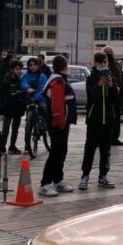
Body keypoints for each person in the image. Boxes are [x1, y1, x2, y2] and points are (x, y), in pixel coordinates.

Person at [39, 56, 77, 196]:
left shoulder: (58, 80)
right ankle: (45, 183)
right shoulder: (58, 81)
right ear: (64, 66)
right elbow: (57, 105)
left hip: (60, 122)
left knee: (61, 151)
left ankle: (58, 180)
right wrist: (60, 122)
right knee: (56, 152)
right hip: (58, 123)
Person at [79, 52, 119, 190]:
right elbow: (91, 97)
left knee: (105, 149)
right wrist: (98, 85)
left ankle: (103, 175)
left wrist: (112, 86)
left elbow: (116, 99)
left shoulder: (111, 77)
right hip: (94, 119)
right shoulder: (91, 78)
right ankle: (85, 175)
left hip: (108, 119)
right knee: (89, 148)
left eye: (106, 62)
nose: (104, 65)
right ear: (97, 63)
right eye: (102, 62)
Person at [21, 57, 48, 158]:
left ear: (38, 66)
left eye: (34, 65)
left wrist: (36, 96)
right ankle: (27, 145)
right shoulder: (26, 75)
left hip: (40, 99)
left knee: (44, 110)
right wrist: (27, 88)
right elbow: (23, 83)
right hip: (30, 100)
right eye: (30, 65)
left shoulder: (42, 76)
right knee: (28, 123)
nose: (32, 67)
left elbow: (42, 89)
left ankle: (44, 126)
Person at [0, 60, 25, 154]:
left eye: (20, 69)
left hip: (17, 108)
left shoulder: (20, 79)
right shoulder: (7, 79)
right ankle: (2, 147)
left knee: (15, 128)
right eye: (17, 69)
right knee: (6, 127)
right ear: (11, 69)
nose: (19, 71)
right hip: (9, 108)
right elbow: (4, 94)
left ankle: (12, 146)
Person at [103, 46, 123, 146]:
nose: (109, 53)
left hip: (118, 95)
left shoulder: (117, 64)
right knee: (108, 118)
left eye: (110, 51)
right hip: (107, 95)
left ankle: (115, 138)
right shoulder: (103, 65)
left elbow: (121, 78)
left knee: (116, 118)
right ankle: (105, 138)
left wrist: (122, 91)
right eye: (106, 51)